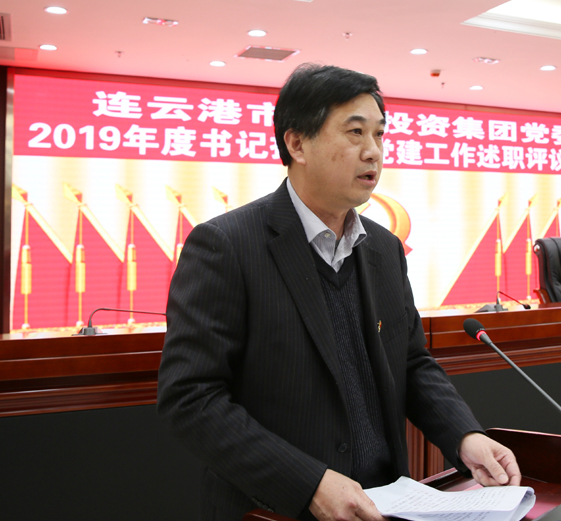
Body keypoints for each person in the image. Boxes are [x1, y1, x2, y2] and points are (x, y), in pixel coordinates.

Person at [157, 64, 520, 521]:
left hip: (385, 504)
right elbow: (191, 398)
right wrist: (307, 482)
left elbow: (411, 363)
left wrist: (465, 436)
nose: (373, 152)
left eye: (380, 134)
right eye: (355, 132)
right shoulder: (227, 246)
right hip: (275, 510)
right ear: (297, 144)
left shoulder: (384, 248)